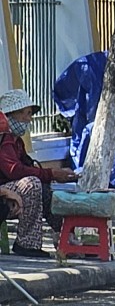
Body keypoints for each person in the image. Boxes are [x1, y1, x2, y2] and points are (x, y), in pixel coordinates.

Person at [0, 90, 77, 258]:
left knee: (44, 187)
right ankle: (26, 243)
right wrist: (52, 173)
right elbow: (14, 171)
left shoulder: (16, 141)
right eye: (25, 114)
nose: (29, 119)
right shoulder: (4, 139)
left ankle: (65, 236)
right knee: (32, 184)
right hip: (3, 191)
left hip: (9, 188)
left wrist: (49, 174)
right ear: (11, 114)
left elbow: (26, 166)